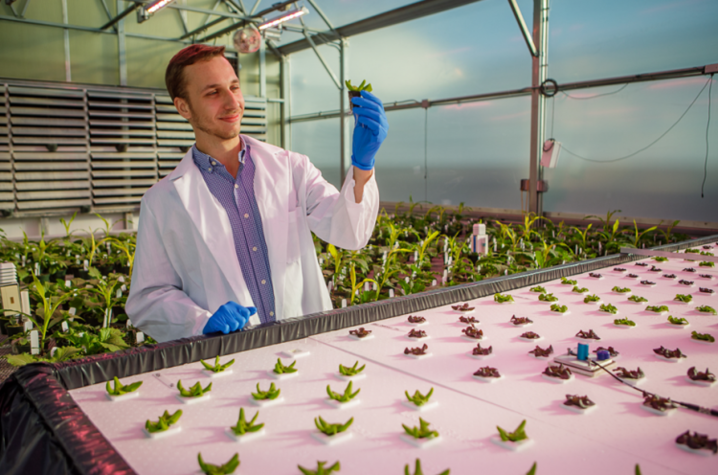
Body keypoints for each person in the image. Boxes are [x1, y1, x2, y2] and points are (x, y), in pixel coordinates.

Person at [126, 44, 388, 343]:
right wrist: (200, 321)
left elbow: (349, 234)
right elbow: (147, 298)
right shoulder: (162, 201)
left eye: (234, 87)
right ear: (183, 107)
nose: (232, 102)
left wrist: (363, 166)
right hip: (227, 355)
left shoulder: (291, 167)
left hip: (305, 342)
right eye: (213, 92)